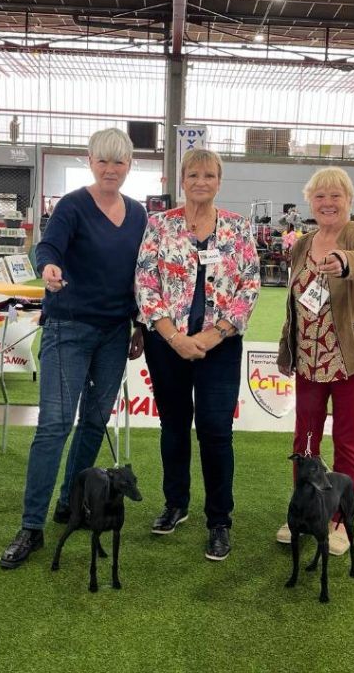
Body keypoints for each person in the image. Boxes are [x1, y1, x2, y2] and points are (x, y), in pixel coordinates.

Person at [0, 128, 148, 570]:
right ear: (90, 161)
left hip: (115, 333)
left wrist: (139, 323)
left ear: (128, 167)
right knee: (55, 425)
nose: (110, 169)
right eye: (103, 161)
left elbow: (143, 274)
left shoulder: (138, 214)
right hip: (68, 326)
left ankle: (73, 501)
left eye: (118, 162)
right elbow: (46, 247)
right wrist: (48, 266)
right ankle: (31, 526)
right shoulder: (72, 205)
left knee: (94, 421)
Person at [135, 148, 260, 562]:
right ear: (182, 179)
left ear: (219, 181)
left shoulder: (239, 230)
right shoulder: (159, 226)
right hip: (167, 343)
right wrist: (174, 337)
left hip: (219, 347)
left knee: (215, 431)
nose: (201, 181)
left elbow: (249, 288)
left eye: (209, 175)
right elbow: (146, 283)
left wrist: (209, 338)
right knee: (173, 425)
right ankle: (175, 504)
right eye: (193, 174)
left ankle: (219, 520)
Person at [276, 167, 354, 556]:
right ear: (310, 202)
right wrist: (286, 348)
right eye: (320, 196)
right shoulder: (302, 245)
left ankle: (340, 519)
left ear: (348, 200)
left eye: (335, 196)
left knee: (345, 438)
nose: (327, 203)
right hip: (309, 357)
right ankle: (303, 512)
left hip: (350, 356)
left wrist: (343, 260)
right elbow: (294, 303)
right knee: (305, 439)